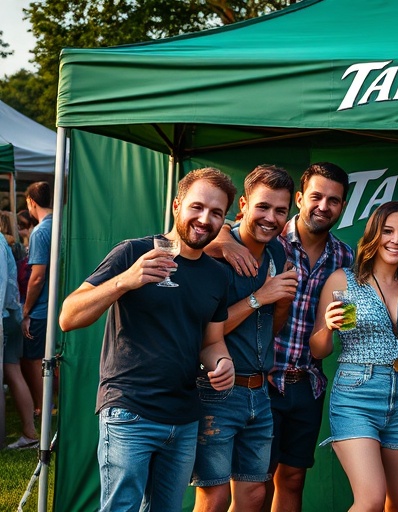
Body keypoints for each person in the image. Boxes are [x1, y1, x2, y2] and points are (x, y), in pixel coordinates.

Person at [58, 168, 238, 512]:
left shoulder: (217, 276)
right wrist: (125, 280)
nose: (205, 219)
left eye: (216, 213)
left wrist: (223, 362)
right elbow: (69, 316)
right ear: (176, 205)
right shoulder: (133, 253)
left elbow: (212, 341)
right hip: (130, 410)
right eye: (197, 207)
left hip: (184, 419)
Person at [208, 162, 353, 512]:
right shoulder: (272, 237)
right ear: (301, 199)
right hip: (262, 380)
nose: (323, 206)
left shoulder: (344, 255)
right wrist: (226, 239)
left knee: (292, 479)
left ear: (343, 206)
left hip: (308, 381)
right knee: (253, 484)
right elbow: (220, 231)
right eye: (316, 196)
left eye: (334, 200)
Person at [192, 166, 299, 511]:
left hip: (259, 392)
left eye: (280, 211)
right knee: (214, 498)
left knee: (254, 496)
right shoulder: (213, 252)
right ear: (243, 204)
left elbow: (274, 328)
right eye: (263, 207)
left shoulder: (278, 254)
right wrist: (260, 297)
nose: (271, 218)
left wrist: (280, 302)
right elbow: (203, 334)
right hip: (218, 391)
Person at [309, 201, 398, 512]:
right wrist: (327, 328)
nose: (395, 240)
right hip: (357, 393)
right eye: (387, 231)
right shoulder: (344, 280)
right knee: (370, 501)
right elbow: (319, 349)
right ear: (374, 234)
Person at [20, 182, 52, 419]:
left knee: (34, 359)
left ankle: (43, 407)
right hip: (59, 303)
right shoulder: (62, 224)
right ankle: (52, 404)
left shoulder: (40, 231)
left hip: (41, 308)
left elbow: (37, 276)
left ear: (31, 201)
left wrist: (26, 309)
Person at [1, 214, 31, 449]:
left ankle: (26, 432)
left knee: (11, 374)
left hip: (7, 315)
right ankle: (29, 431)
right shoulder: (11, 245)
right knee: (13, 374)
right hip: (12, 314)